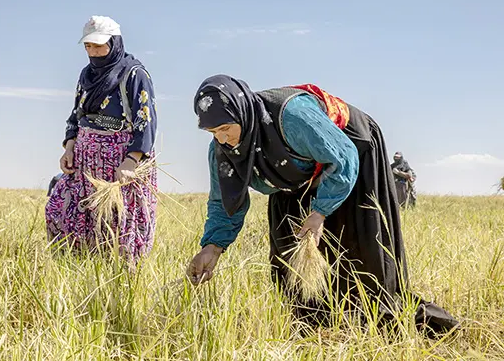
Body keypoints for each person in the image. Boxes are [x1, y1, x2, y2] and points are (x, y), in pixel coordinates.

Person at [186, 74, 459, 337]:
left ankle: (418, 326)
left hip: (351, 158)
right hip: (294, 174)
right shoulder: (221, 150)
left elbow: (343, 158)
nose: (222, 138)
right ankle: (316, 332)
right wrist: (213, 247)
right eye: (212, 132)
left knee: (363, 256)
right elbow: (223, 201)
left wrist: (319, 213)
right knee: (289, 257)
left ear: (242, 112)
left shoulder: (291, 116)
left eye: (225, 129)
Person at [45, 15, 158, 264]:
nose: (93, 52)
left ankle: (119, 281)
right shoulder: (86, 76)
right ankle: (76, 271)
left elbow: (145, 119)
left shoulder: (134, 74)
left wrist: (131, 160)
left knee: (120, 226)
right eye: (88, 46)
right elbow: (77, 114)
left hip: (120, 164)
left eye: (98, 45)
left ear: (115, 42)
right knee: (60, 210)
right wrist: (70, 148)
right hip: (86, 163)